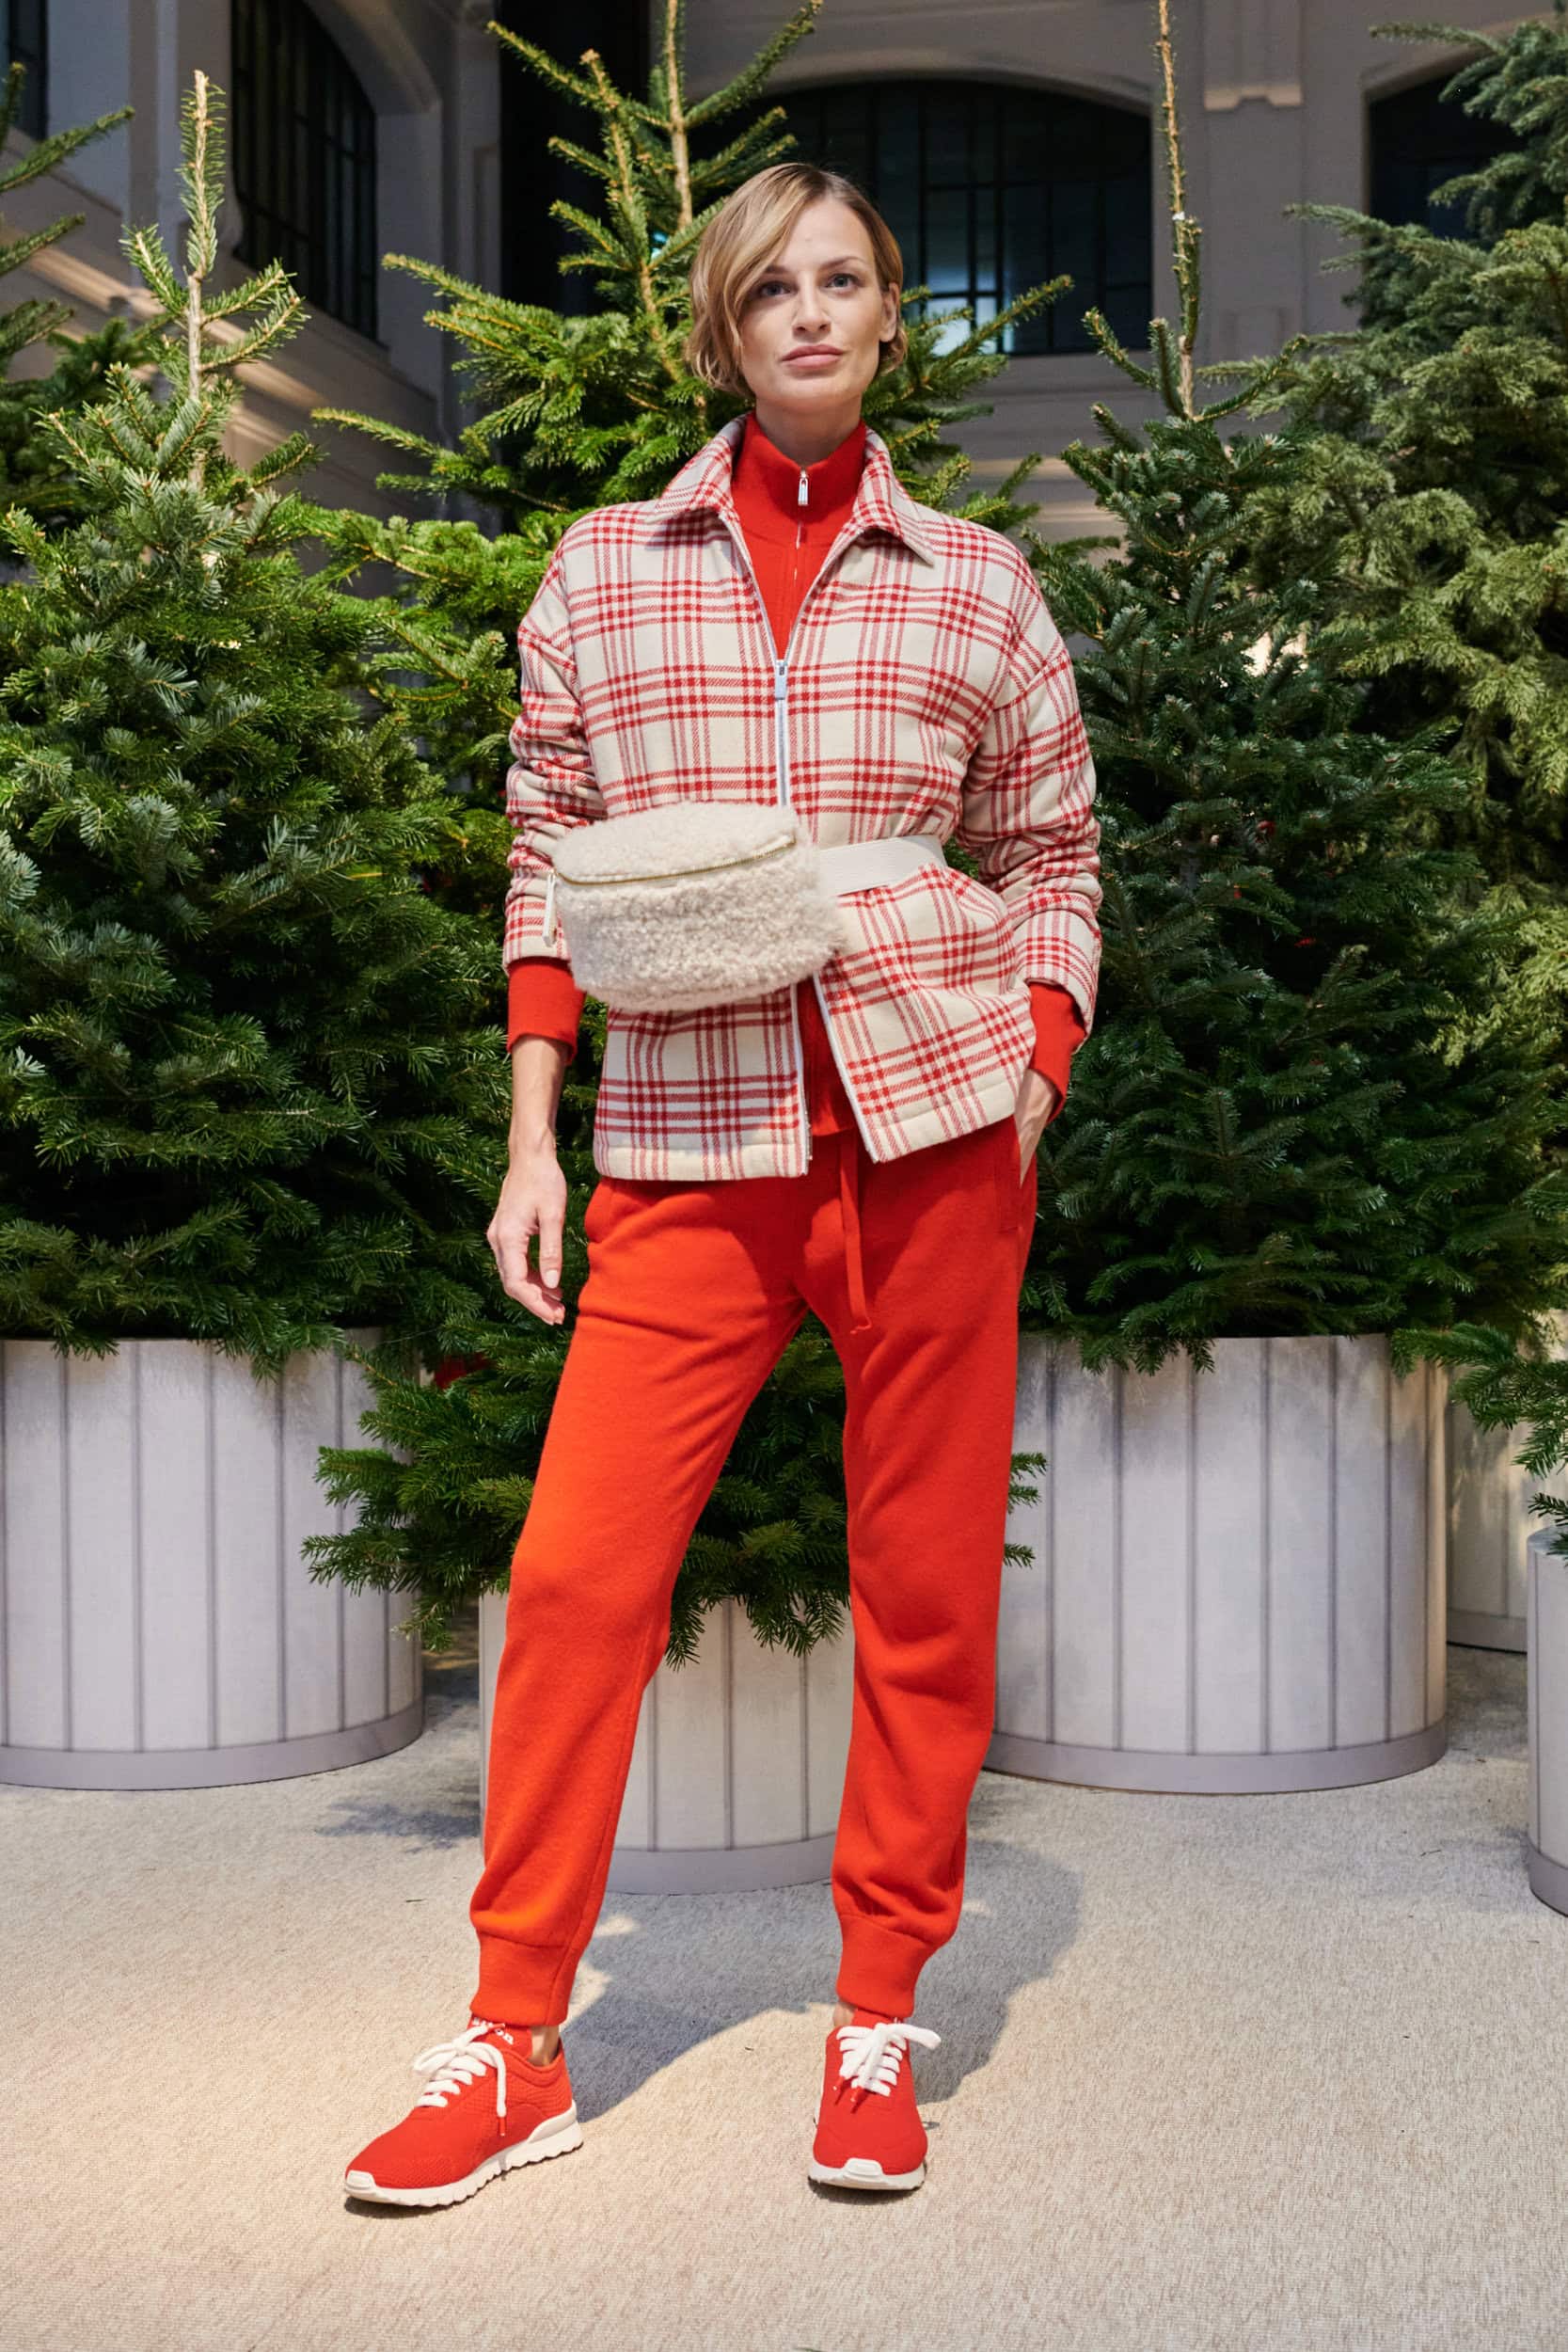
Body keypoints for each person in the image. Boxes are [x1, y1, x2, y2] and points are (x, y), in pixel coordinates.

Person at [344, 160, 1100, 2211]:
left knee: (926, 1587)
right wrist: (532, 1132)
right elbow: (542, 853)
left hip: (933, 1127)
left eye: (845, 279)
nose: (813, 313)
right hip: (689, 1130)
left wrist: (1036, 1068)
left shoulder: (978, 583)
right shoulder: (607, 567)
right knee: (579, 1578)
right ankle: (516, 2036)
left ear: (887, 317)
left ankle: (878, 2015)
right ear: (724, 326)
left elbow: (1053, 849)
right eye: (773, 286)